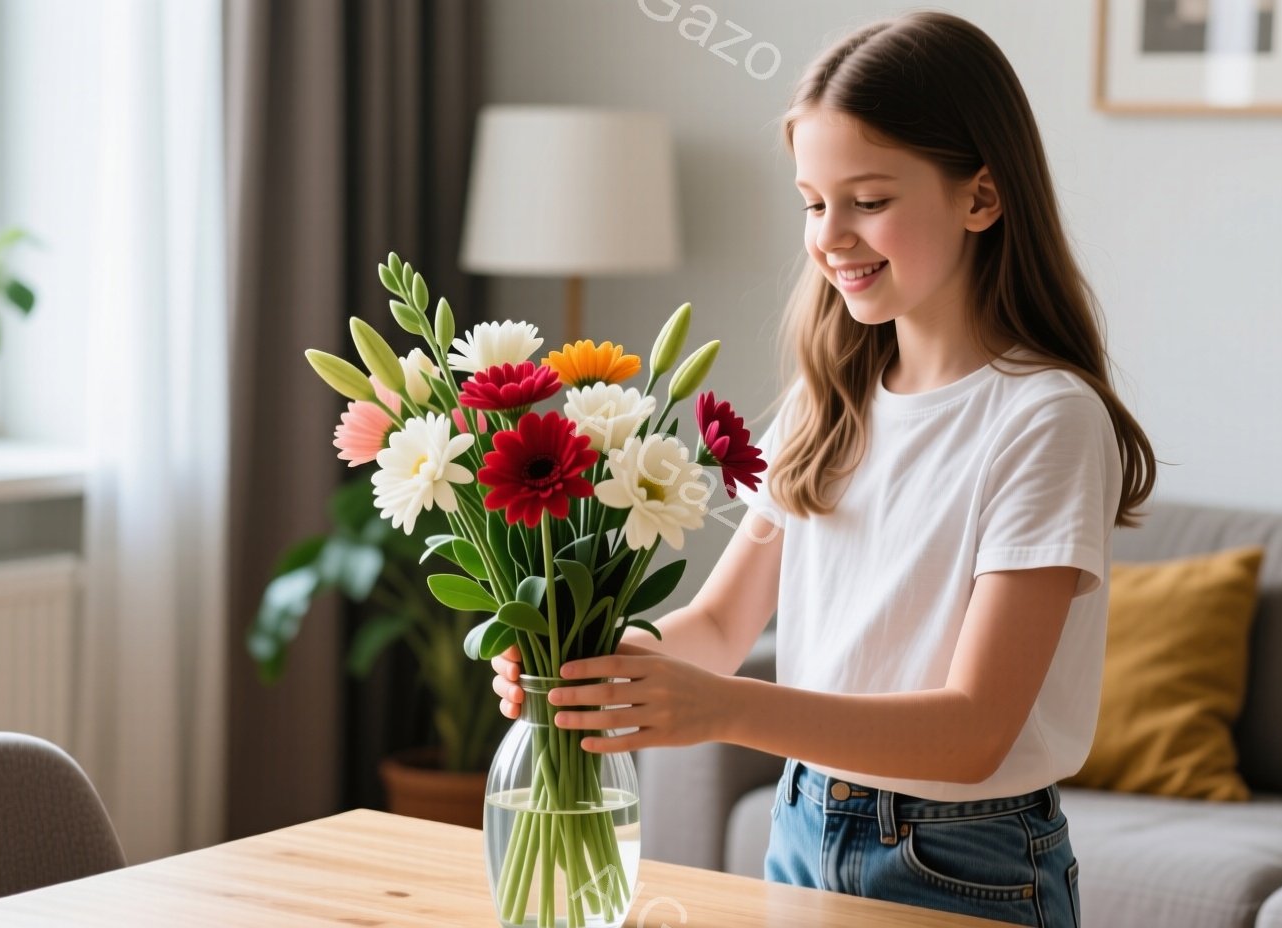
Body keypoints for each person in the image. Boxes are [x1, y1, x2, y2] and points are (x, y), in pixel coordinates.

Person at [491, 10, 1156, 925]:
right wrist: (594, 668)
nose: (831, 235)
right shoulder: (831, 401)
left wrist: (721, 710)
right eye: (814, 201)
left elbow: (972, 731)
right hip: (801, 824)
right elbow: (719, 625)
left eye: (869, 200)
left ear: (982, 197)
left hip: (965, 857)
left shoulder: (1044, 420)